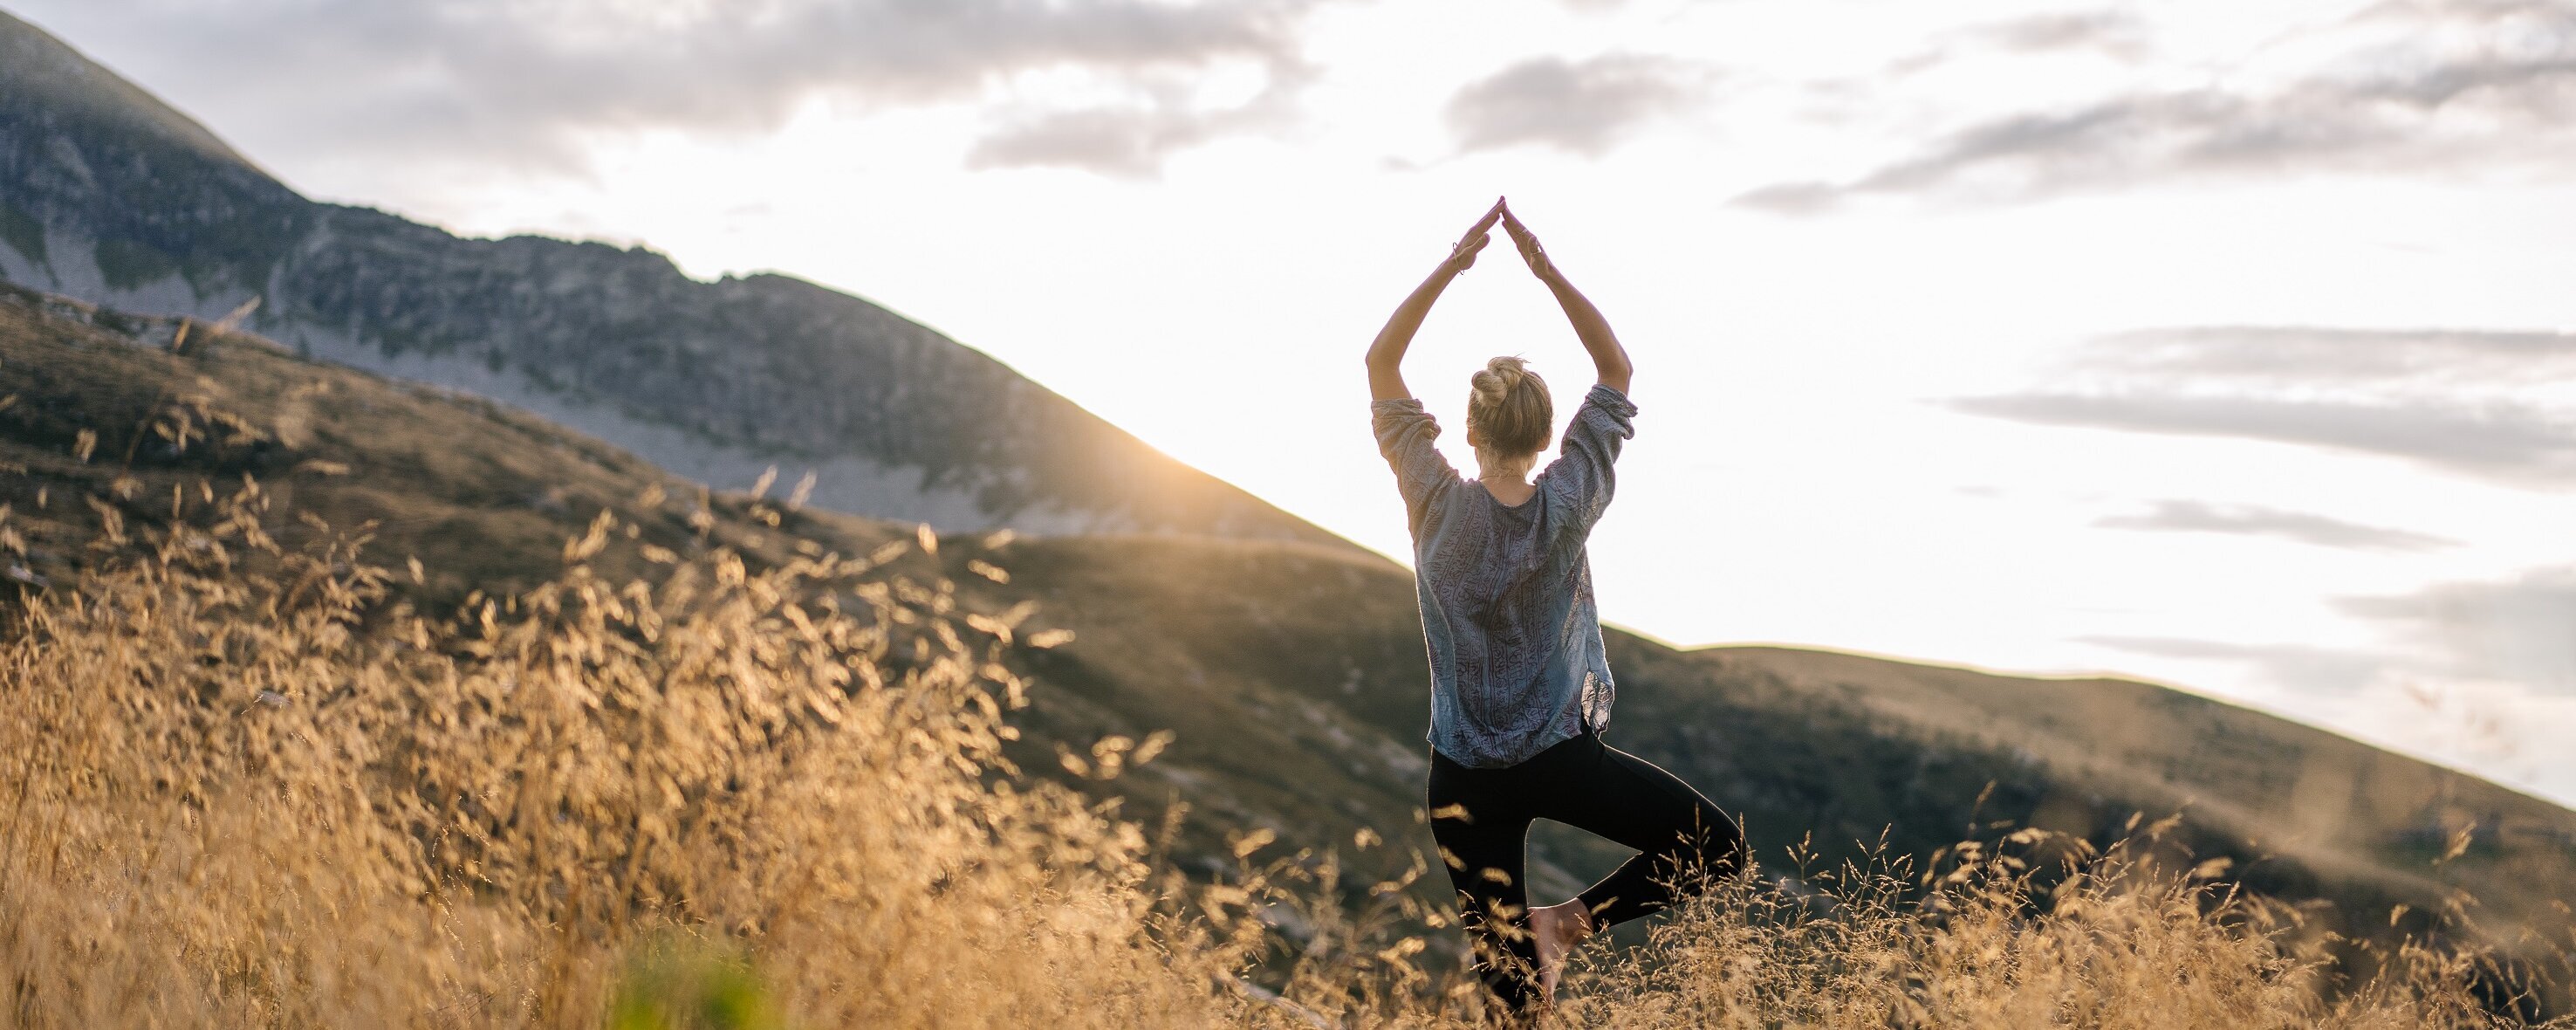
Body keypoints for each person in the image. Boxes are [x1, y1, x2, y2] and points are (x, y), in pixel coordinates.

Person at [1365, 197, 1747, 1018]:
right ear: (1545, 438)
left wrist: (1454, 262)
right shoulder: (1568, 500)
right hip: (1559, 757)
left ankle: (1548, 942)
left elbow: (1380, 361)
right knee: (1720, 848)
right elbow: (1616, 369)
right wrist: (1545, 272)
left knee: (1515, 1013)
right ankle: (1567, 927)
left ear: (1468, 431)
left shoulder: (1430, 496)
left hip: (1462, 778)